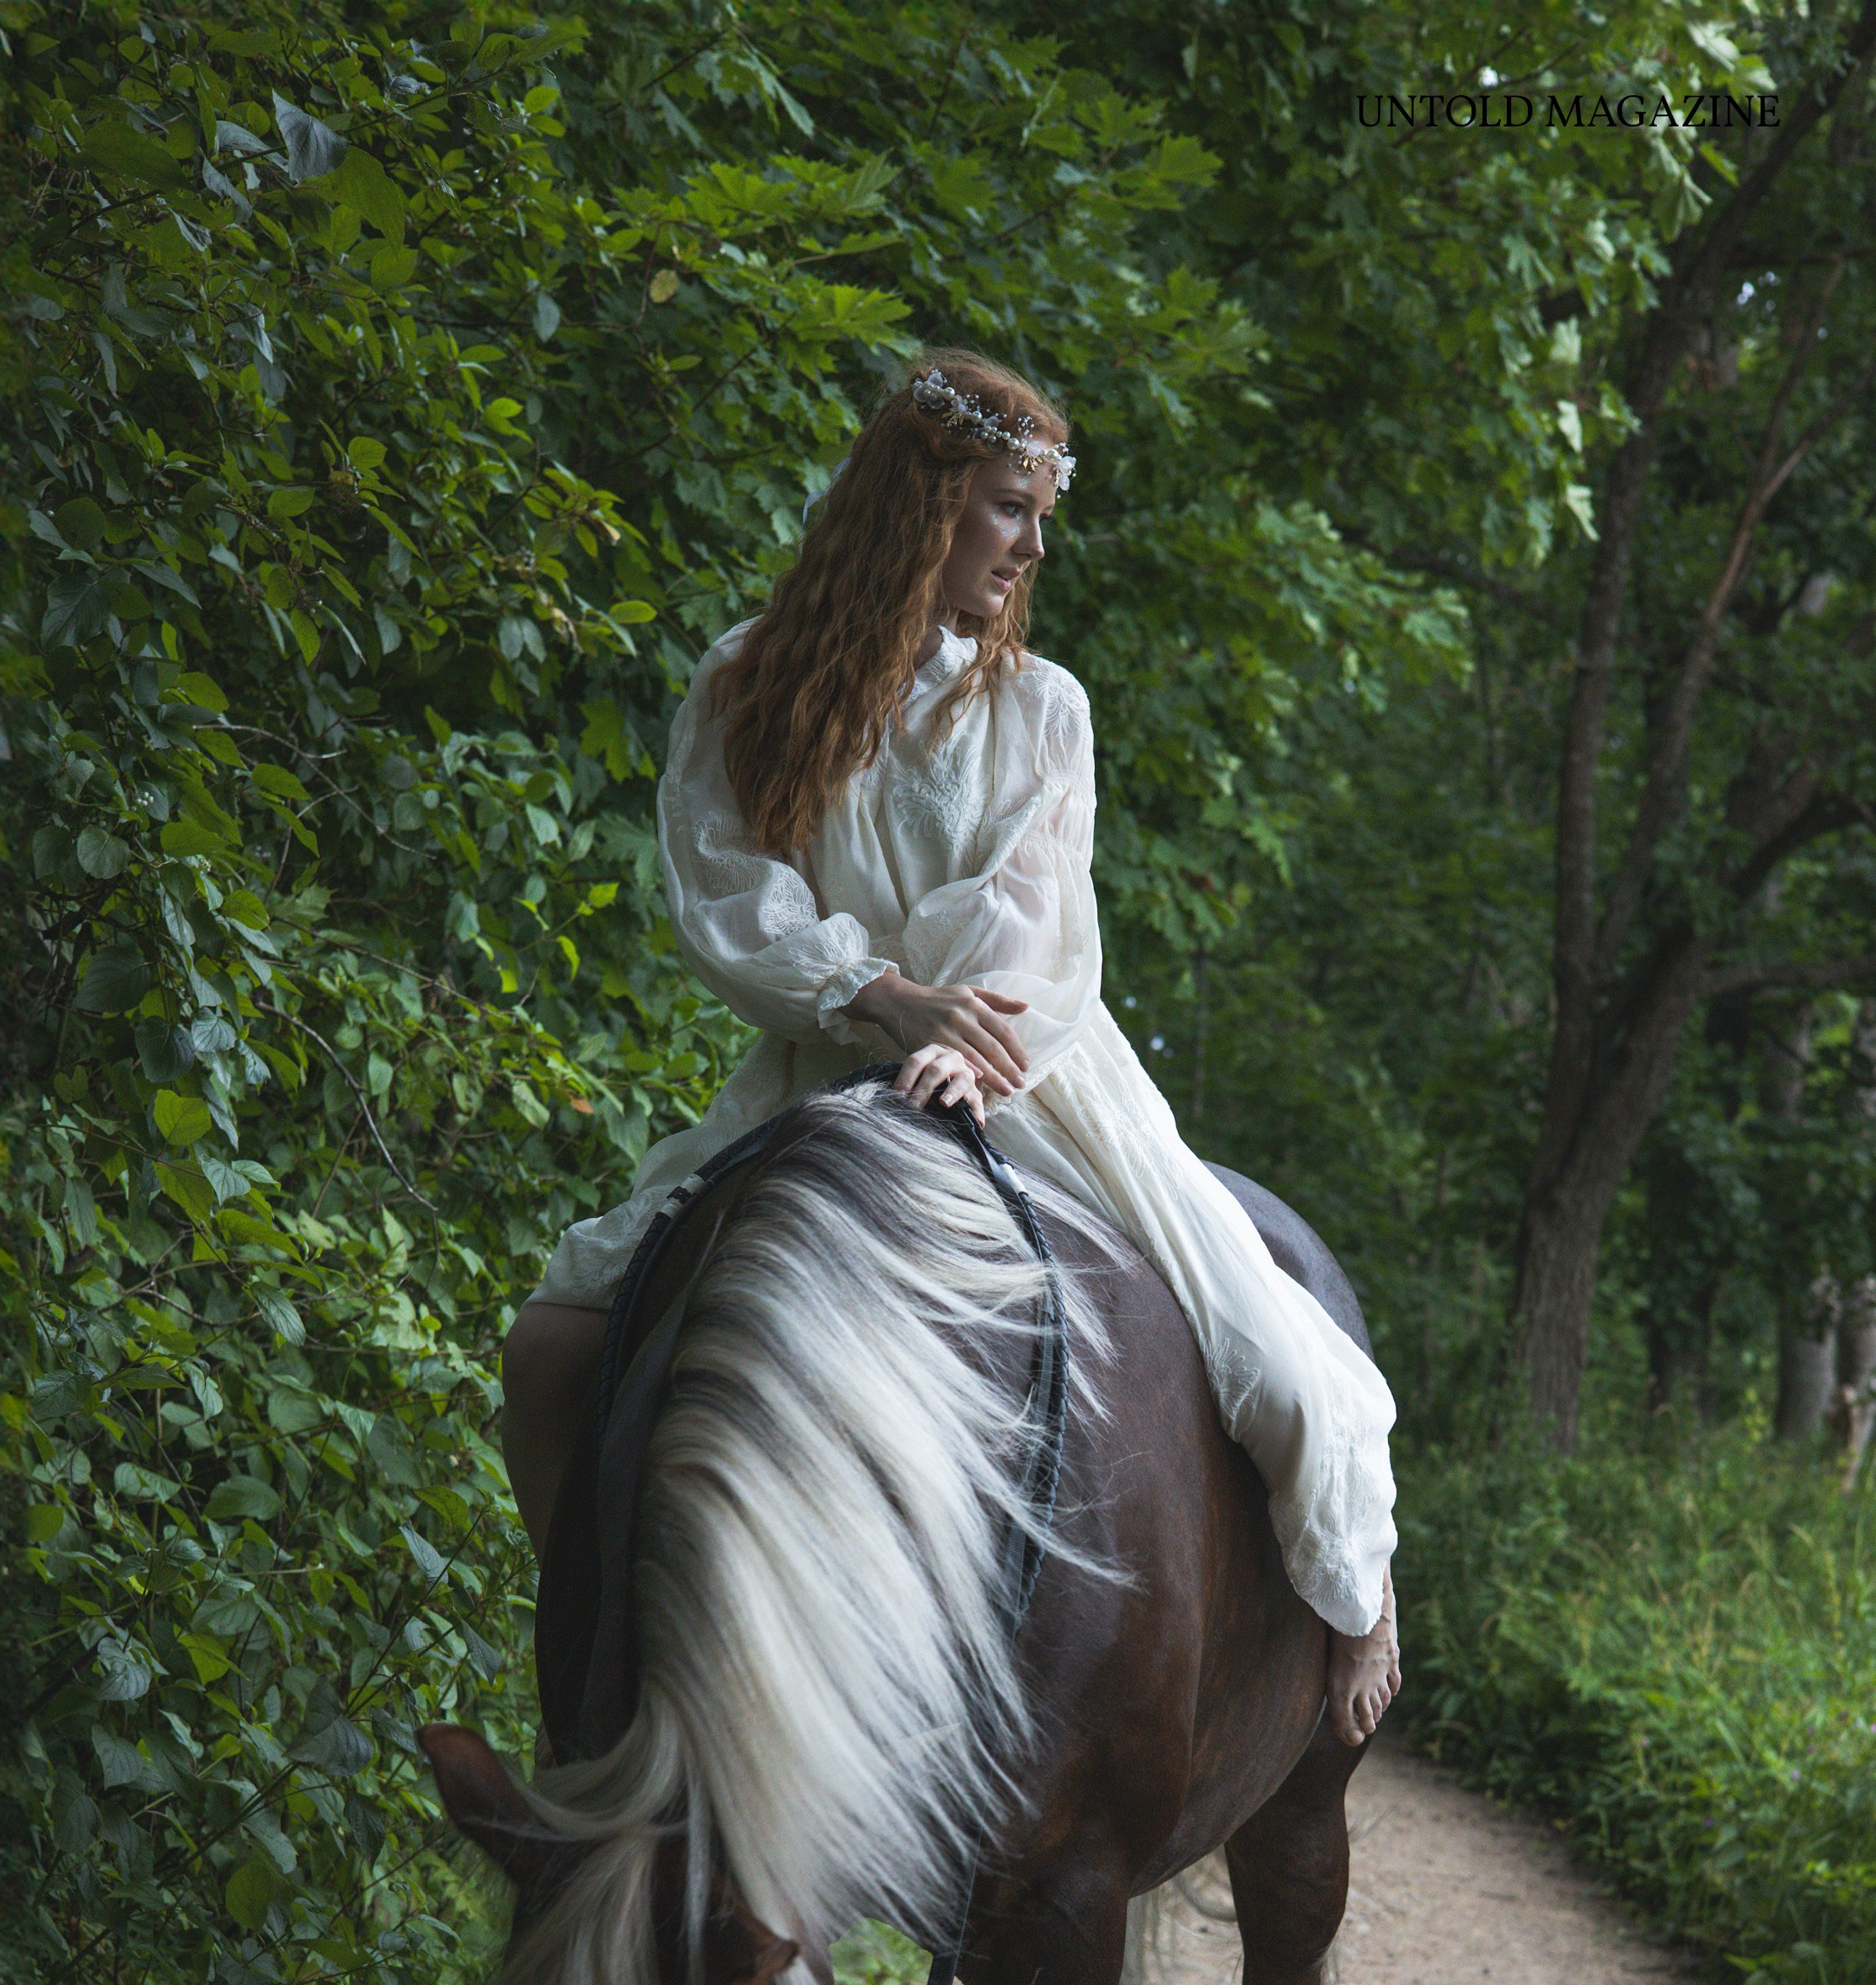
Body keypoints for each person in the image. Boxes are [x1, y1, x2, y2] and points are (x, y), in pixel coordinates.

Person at [501, 353, 1401, 1746]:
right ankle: (615, 1671)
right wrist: (874, 994)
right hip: (827, 1067)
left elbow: (1032, 918)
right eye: (1006, 508)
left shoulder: (1043, 709)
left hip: (1026, 1068)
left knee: (1273, 1362)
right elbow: (731, 893)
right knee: (554, 1347)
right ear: (922, 508)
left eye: (1039, 516)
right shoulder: (748, 682)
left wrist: (952, 1028)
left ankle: (1354, 1590)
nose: (1032, 546)